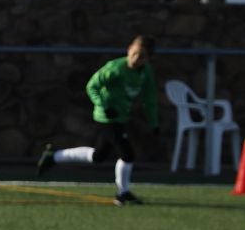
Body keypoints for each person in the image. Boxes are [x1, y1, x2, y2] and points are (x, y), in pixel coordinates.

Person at [37, 35, 160, 206]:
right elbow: (92, 86)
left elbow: (150, 98)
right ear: (129, 49)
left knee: (99, 156)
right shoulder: (115, 69)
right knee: (127, 153)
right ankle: (122, 193)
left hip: (121, 117)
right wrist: (104, 105)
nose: (136, 59)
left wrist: (154, 123)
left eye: (142, 56)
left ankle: (53, 157)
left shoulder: (146, 73)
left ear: (149, 59)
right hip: (106, 117)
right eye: (134, 53)